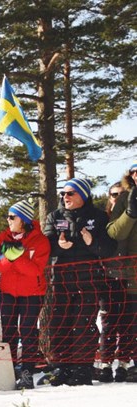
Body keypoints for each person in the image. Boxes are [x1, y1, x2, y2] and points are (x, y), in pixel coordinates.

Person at [42, 177, 116, 386]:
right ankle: (61, 368)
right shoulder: (54, 216)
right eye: (63, 194)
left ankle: (82, 369)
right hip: (61, 282)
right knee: (59, 324)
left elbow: (108, 249)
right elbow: (44, 247)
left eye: (70, 193)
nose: (65, 197)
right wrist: (57, 245)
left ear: (83, 196)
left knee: (83, 325)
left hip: (89, 282)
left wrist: (91, 242)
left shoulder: (99, 217)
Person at [0, 200, 50, 389]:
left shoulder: (40, 240)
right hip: (8, 292)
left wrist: (16, 258)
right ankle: (8, 371)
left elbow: (35, 270)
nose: (8, 220)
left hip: (32, 293)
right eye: (8, 216)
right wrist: (10, 258)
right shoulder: (4, 236)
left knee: (28, 331)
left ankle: (27, 371)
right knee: (9, 331)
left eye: (12, 217)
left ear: (24, 219)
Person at [104, 164, 137, 382]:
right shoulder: (125, 198)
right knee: (119, 320)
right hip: (123, 272)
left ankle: (128, 362)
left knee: (132, 321)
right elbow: (114, 232)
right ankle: (115, 363)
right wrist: (130, 213)